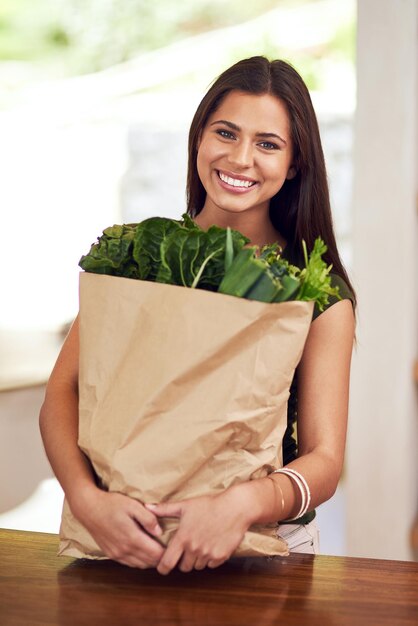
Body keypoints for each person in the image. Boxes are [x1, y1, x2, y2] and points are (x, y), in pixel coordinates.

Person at [39, 56, 355, 575]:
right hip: (118, 539)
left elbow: (324, 461)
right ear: (198, 139)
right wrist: (86, 501)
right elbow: (62, 393)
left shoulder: (316, 293)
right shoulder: (135, 257)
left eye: (268, 144)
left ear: (295, 163)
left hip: (261, 551)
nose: (240, 158)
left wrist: (241, 505)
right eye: (225, 133)